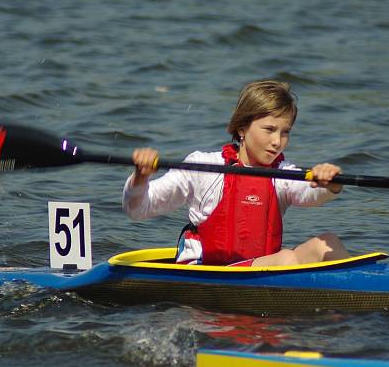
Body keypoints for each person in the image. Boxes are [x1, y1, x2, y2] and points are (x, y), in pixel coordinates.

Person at [122, 79, 349, 267]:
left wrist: (329, 184)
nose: (277, 142)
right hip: (205, 272)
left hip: (257, 269)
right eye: (269, 130)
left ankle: (361, 298)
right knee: (288, 259)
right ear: (242, 128)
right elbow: (138, 210)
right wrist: (141, 177)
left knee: (326, 242)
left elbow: (309, 195)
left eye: (285, 132)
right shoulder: (203, 166)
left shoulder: (282, 174)